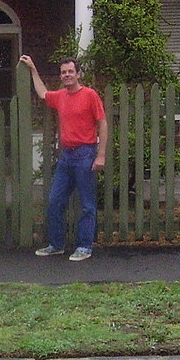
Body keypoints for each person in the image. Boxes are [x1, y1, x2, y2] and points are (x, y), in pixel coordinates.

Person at [20, 54, 107, 261]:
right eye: (64, 72)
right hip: (66, 156)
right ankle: (56, 245)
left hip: (85, 154)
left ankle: (84, 247)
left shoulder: (90, 95)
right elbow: (42, 93)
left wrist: (101, 154)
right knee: (55, 200)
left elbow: (102, 124)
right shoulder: (60, 96)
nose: (67, 75)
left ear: (78, 74)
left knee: (87, 204)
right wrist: (33, 68)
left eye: (70, 71)